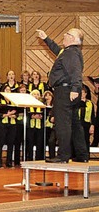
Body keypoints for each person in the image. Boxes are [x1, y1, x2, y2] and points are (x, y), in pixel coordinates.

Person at [37, 28, 88, 163]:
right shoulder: (69, 52)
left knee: (62, 124)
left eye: (67, 33)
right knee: (75, 124)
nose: (64, 34)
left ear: (72, 39)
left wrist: (76, 89)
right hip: (69, 91)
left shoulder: (71, 53)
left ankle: (63, 155)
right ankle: (82, 155)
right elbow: (57, 50)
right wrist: (46, 38)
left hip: (65, 92)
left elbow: (76, 71)